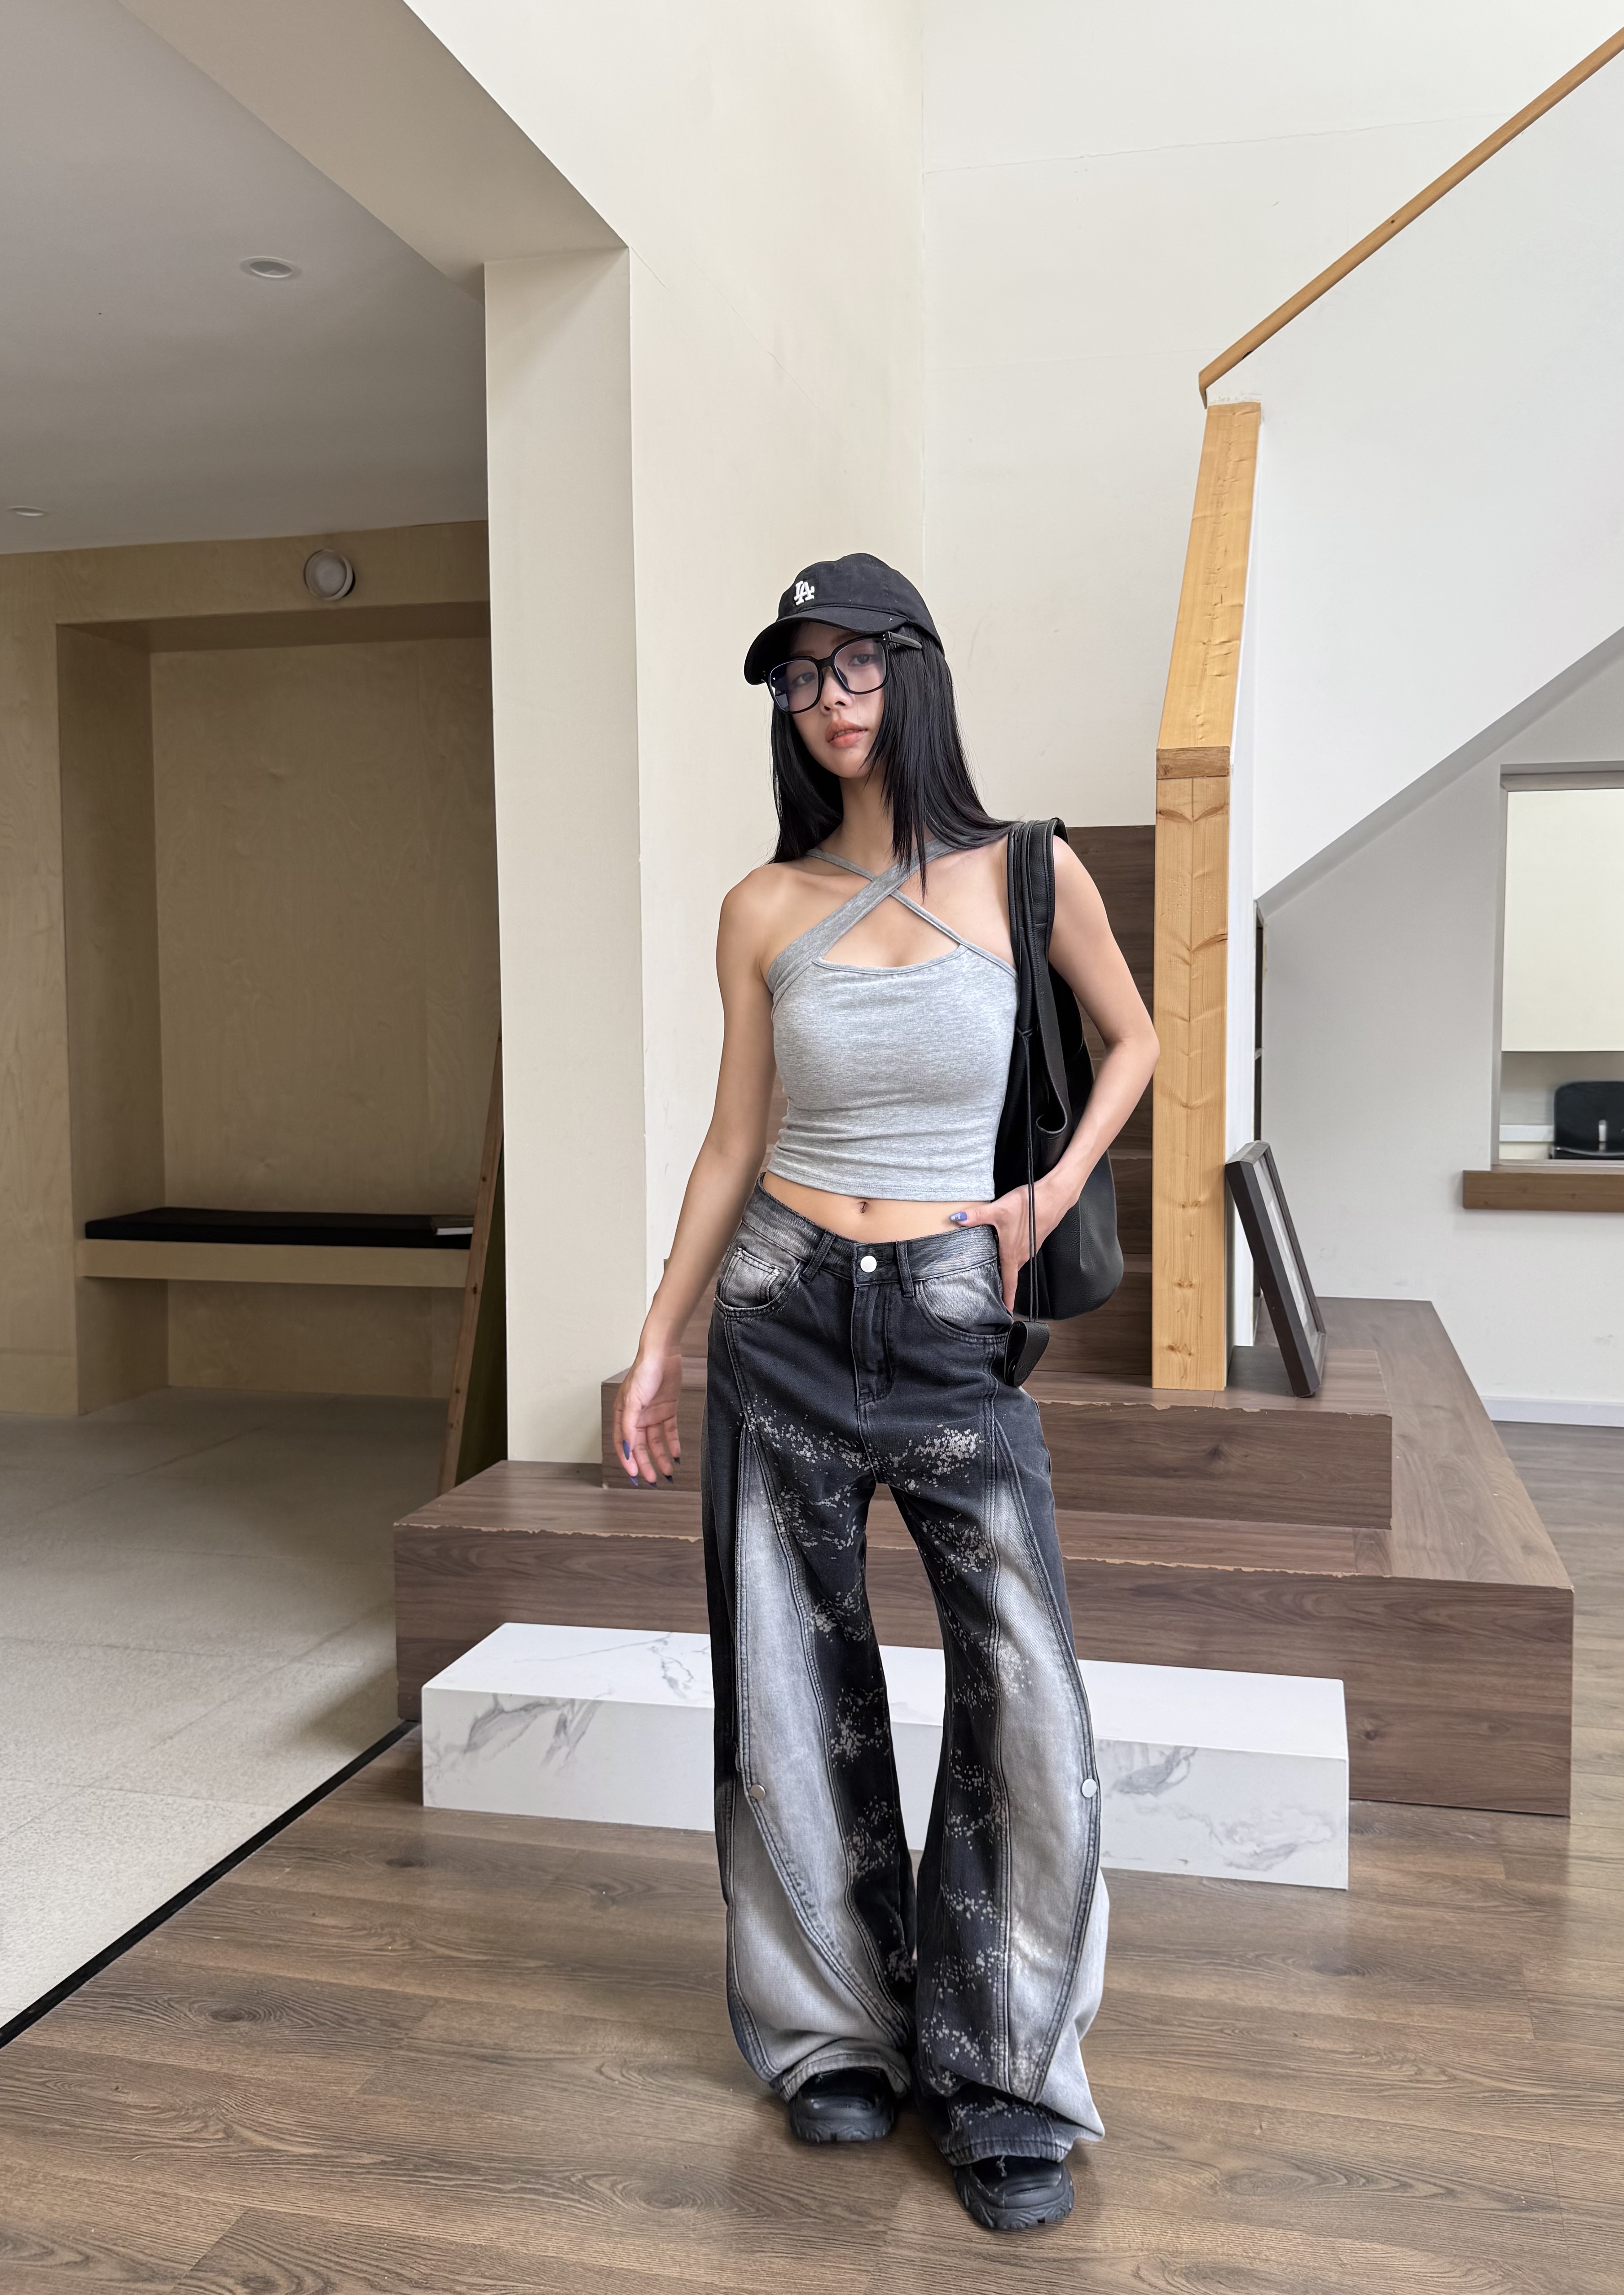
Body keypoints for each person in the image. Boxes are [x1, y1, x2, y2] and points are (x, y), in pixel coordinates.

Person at [612, 554, 1158, 2233]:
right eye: (799, 677)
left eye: (855, 665)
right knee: (791, 1677)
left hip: (949, 1311)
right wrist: (659, 1337)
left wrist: (1047, 1194)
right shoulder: (762, 906)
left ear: (916, 671)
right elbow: (734, 1139)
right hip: (780, 1309)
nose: (827, 700)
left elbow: (1134, 1040)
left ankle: (1002, 2072)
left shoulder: (1027, 869)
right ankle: (835, 2033)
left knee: (1021, 1685)